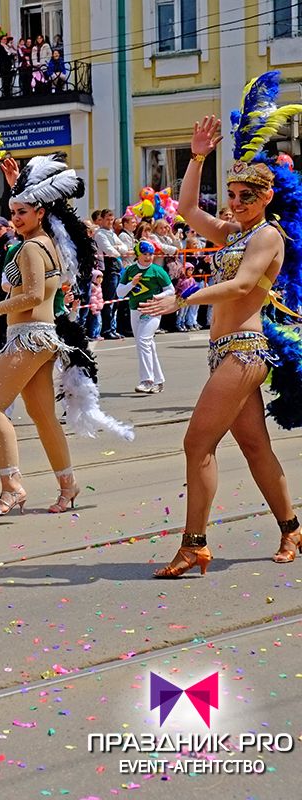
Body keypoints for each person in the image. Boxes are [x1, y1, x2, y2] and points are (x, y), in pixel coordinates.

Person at [138, 95, 301, 574]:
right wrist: (197, 157)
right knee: (254, 448)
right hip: (222, 351)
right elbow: (187, 205)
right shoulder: (231, 233)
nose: (236, 203)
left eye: (246, 197)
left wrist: (184, 298)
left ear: (267, 197)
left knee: (197, 443)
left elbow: (245, 285)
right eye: (231, 195)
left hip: (246, 351)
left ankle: (194, 544)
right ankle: (292, 528)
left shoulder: (267, 236)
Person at [0, 154, 94, 516]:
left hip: (29, 337)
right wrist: (16, 184)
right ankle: (68, 485)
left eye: (23, 212)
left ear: (41, 213)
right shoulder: (46, 240)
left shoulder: (33, 246)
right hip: (41, 336)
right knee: (42, 414)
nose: (16, 218)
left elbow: (33, 295)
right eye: (13, 212)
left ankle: (12, 485)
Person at [118, 240, 174, 393]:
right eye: (145, 254)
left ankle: (147, 380)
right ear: (138, 255)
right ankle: (159, 380)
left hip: (153, 310)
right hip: (135, 310)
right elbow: (119, 292)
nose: (148, 257)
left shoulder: (157, 271)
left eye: (151, 254)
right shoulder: (130, 270)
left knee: (143, 340)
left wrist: (158, 297)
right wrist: (132, 283)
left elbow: (171, 290)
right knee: (146, 345)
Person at [92, 209, 126, 339]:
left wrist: (118, 249)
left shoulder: (111, 233)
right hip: (108, 268)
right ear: (101, 219)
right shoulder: (100, 234)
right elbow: (110, 251)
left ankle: (112, 327)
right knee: (109, 300)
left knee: (115, 301)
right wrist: (118, 249)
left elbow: (124, 247)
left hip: (116, 267)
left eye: (112, 220)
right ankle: (106, 329)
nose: (110, 222)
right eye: (107, 219)